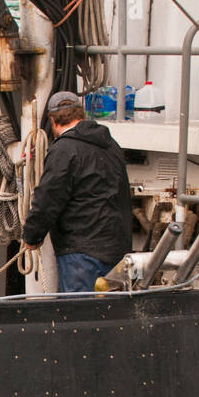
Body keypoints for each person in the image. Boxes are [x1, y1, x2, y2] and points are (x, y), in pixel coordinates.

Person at [21, 90, 132, 292]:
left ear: (53, 121)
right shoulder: (111, 146)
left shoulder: (64, 149)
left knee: (78, 315)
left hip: (82, 254)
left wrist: (31, 236)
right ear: (81, 115)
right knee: (107, 315)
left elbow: (48, 198)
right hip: (117, 250)